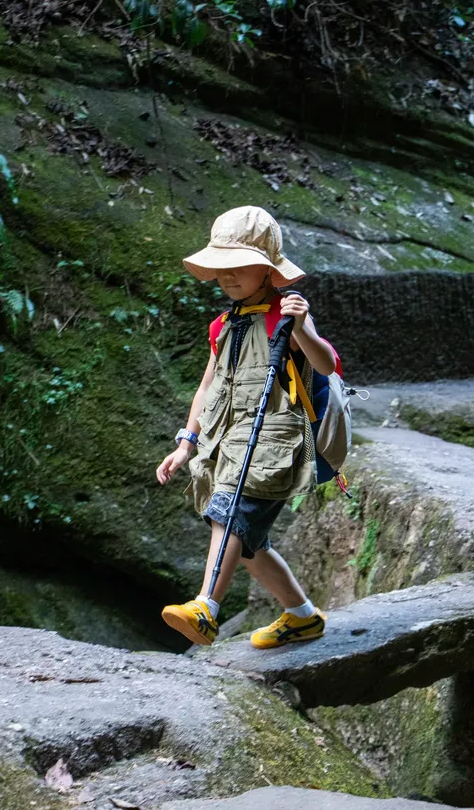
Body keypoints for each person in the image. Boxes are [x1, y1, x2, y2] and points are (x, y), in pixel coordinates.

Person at [155, 205, 336, 649]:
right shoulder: (223, 325)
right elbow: (207, 386)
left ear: (269, 269)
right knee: (250, 545)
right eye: (221, 267)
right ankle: (302, 617)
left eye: (239, 265)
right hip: (230, 438)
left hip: (274, 440)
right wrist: (186, 442)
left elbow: (325, 365)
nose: (228, 276)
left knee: (229, 513)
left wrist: (301, 328)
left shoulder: (285, 313)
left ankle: (206, 608)